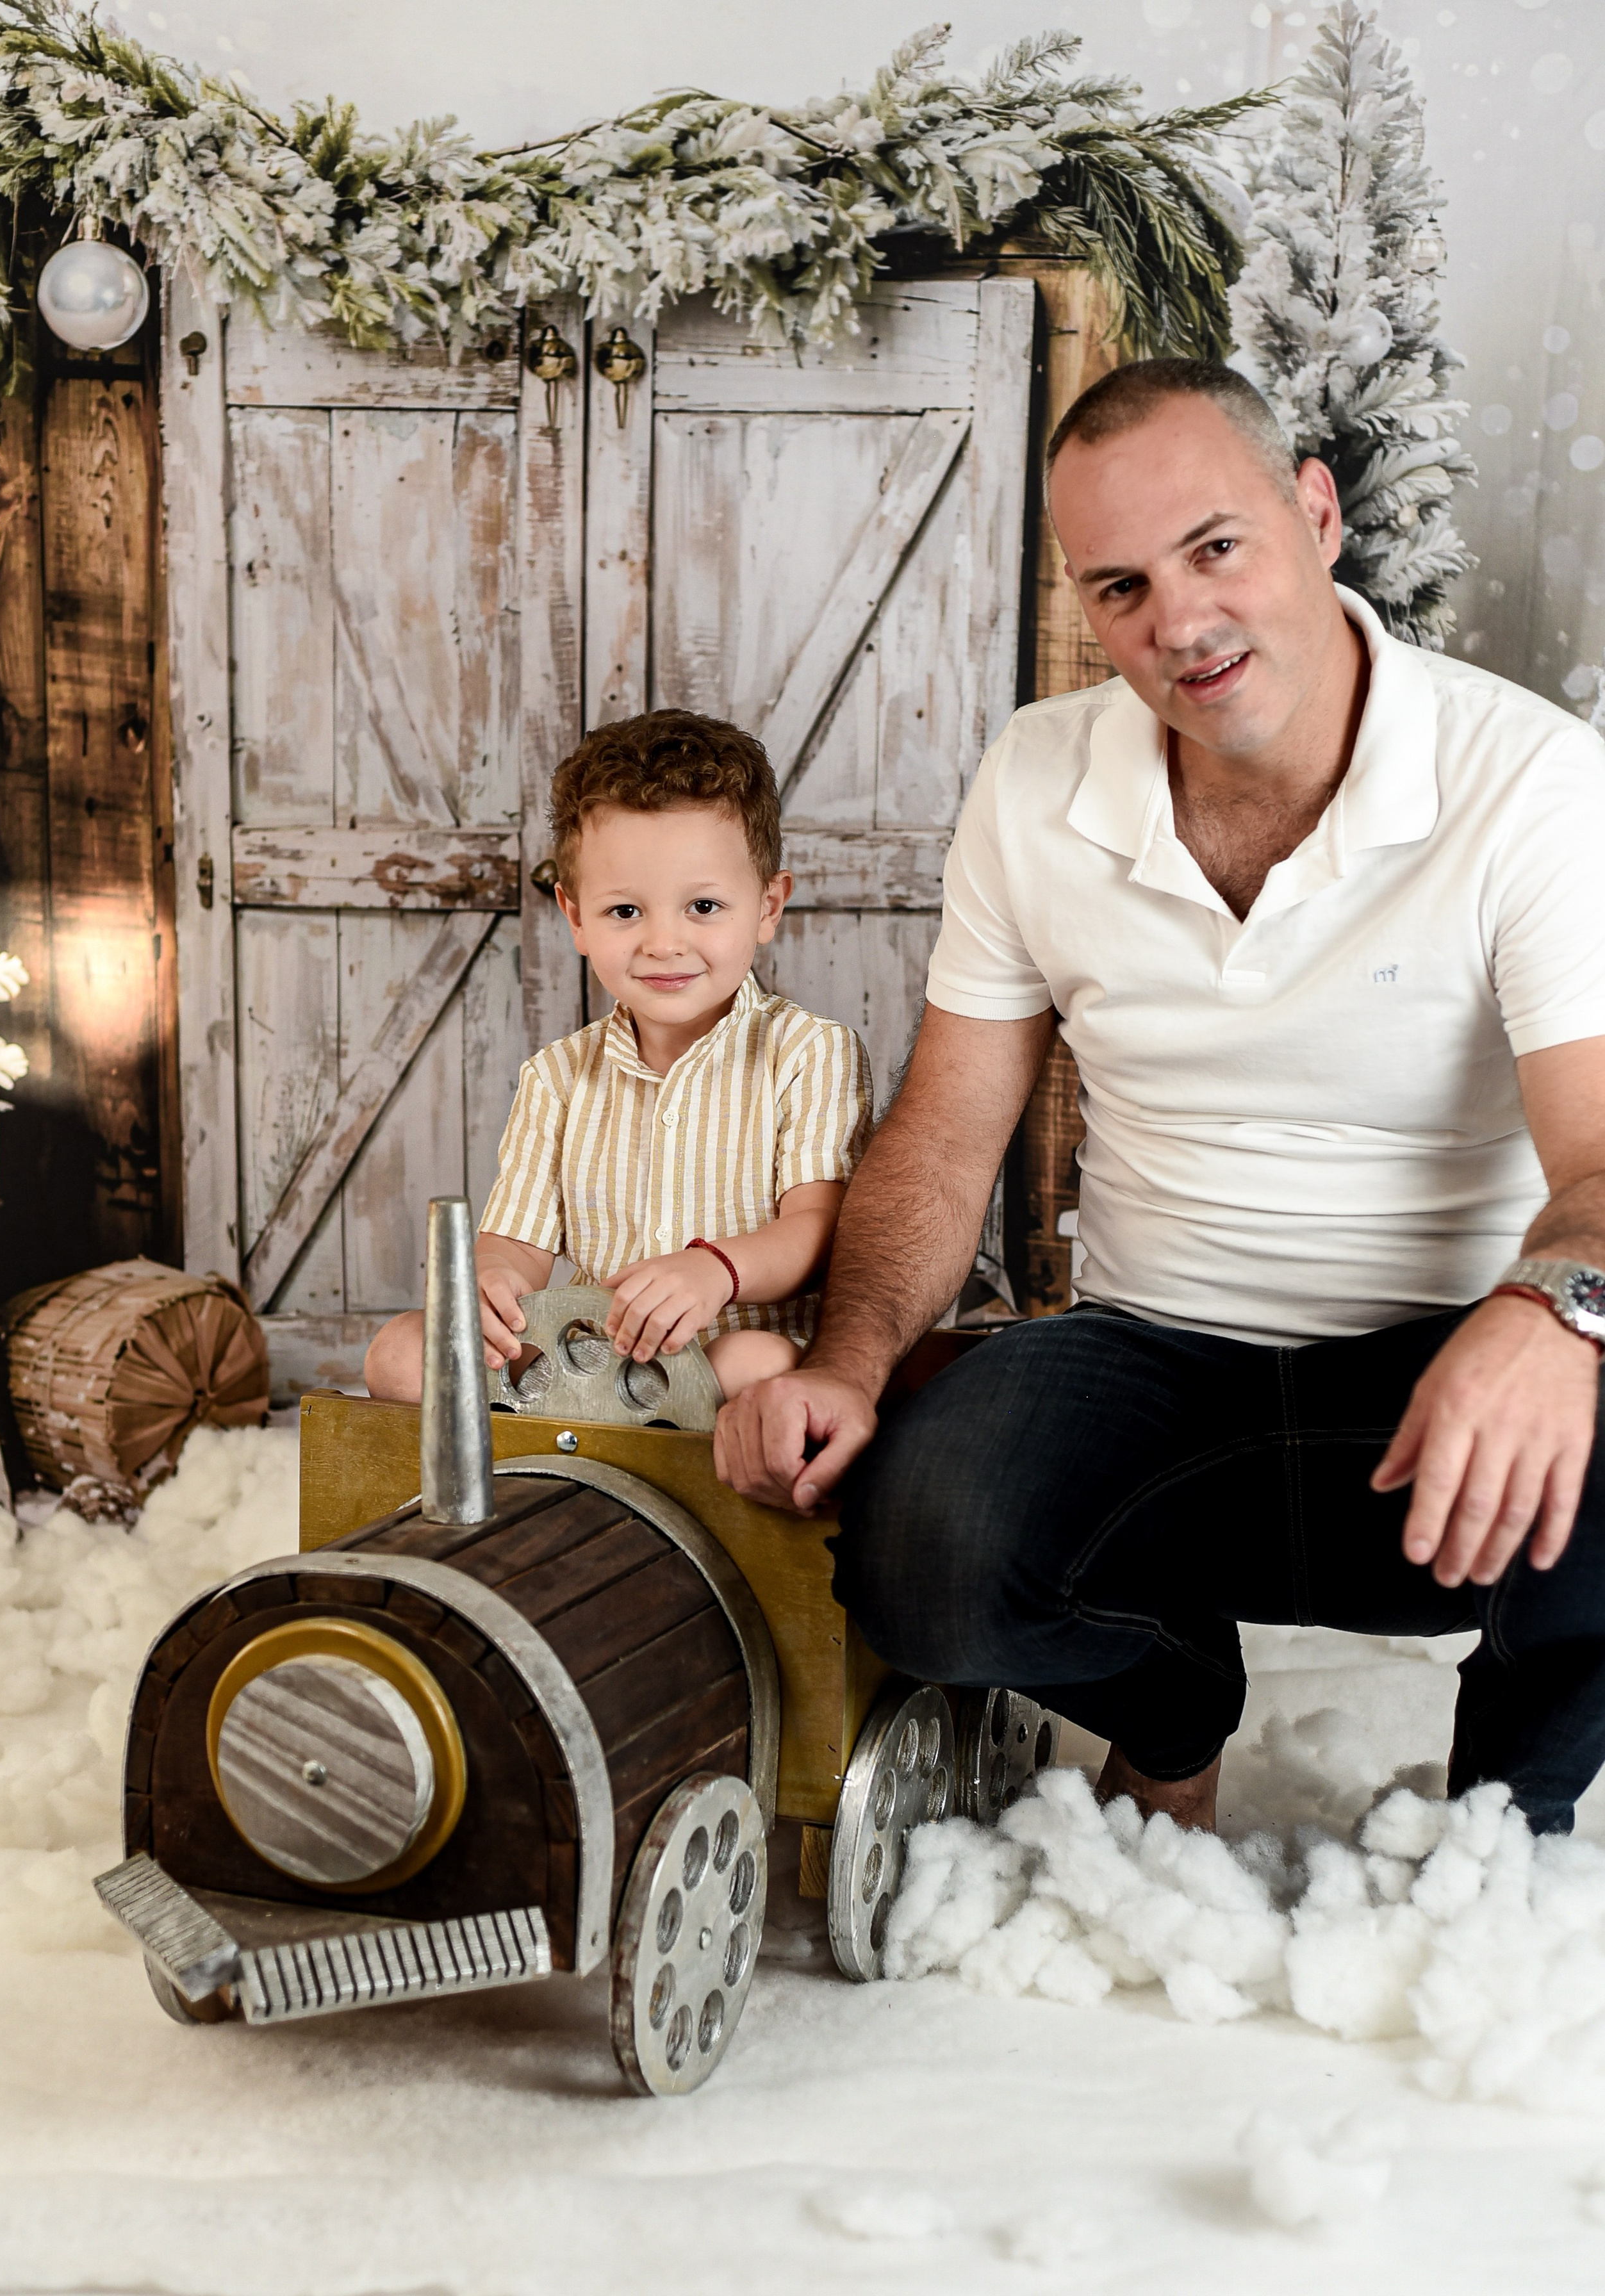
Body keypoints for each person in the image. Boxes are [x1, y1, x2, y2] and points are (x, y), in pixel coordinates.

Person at [714, 357, 1605, 1839]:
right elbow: (941, 1131)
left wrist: (1546, 1315)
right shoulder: (1033, 781)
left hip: (1444, 1391)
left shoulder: (1529, 784)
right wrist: (848, 1364)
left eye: (1215, 548)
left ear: (1314, 517)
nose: (1179, 624)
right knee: (917, 1548)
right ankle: (1169, 1703)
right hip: (1153, 1364)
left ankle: (1500, 1844)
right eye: (1119, 586)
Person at [364, 709, 871, 1407]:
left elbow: (815, 1230)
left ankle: (631, 1442)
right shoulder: (559, 1076)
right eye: (625, 912)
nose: (664, 943)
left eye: (702, 905)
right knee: (396, 1350)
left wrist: (715, 1270)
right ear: (575, 916)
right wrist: (492, 1283)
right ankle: (573, 1437)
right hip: (591, 1364)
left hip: (725, 1360)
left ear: (767, 905)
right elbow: (515, 1243)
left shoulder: (809, 1053)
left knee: (759, 1362)